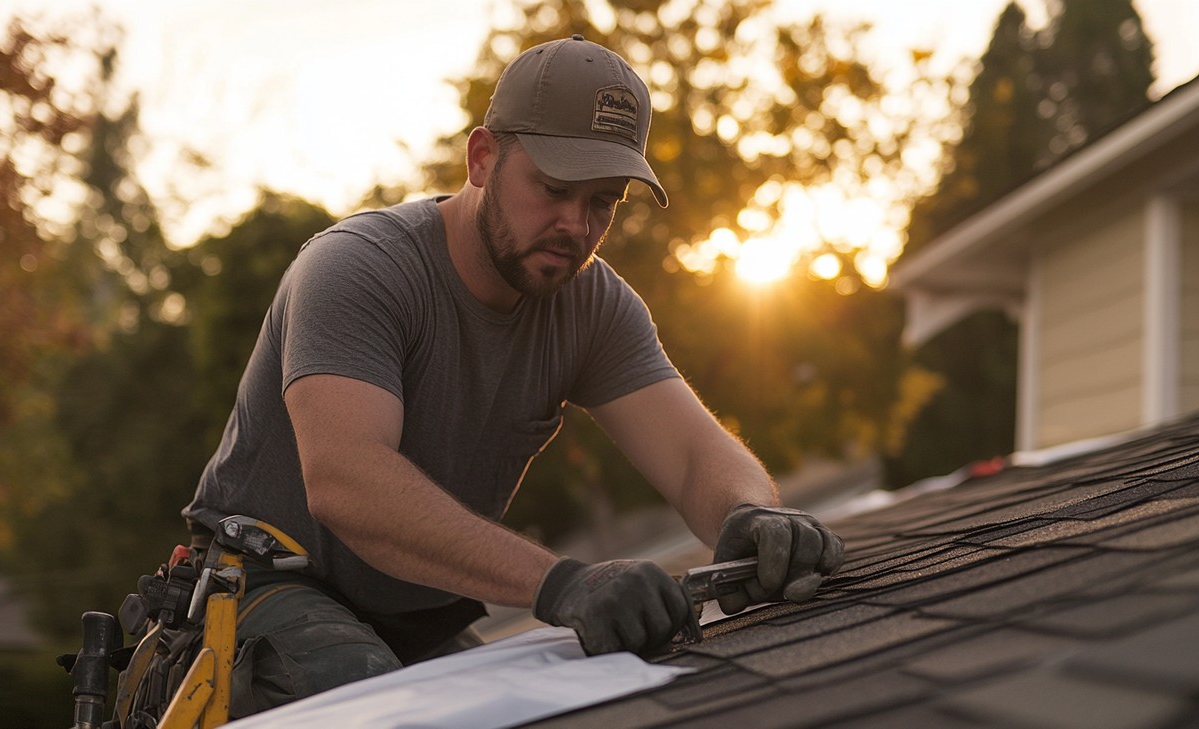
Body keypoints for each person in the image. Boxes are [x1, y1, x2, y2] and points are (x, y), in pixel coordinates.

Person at [182, 34, 845, 718]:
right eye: (554, 189)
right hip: (262, 587)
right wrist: (561, 584)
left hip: (417, 613)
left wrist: (748, 513)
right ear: (482, 158)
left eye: (603, 202)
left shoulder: (592, 304)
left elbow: (691, 454)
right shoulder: (358, 270)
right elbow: (346, 480)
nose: (575, 225)